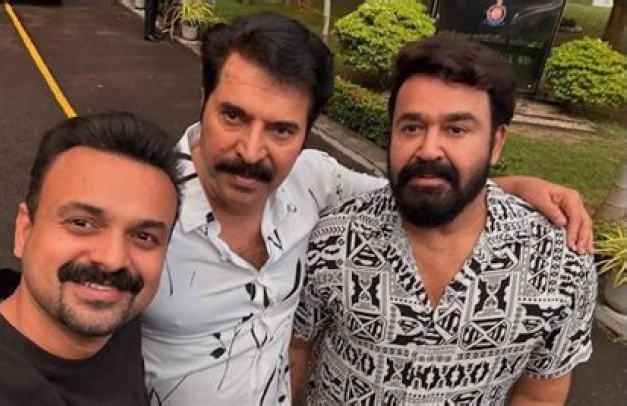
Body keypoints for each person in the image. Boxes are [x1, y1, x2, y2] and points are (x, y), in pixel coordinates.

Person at [140, 13, 593, 405]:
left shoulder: (314, 181)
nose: (251, 150)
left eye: (281, 130)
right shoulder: (142, 213)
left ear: (307, 132)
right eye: (234, 116)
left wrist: (512, 186)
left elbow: (420, 187)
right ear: (205, 95)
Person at [290, 34, 598, 405]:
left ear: (496, 143)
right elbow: (294, 353)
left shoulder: (559, 262)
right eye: (411, 127)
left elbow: (538, 394)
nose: (428, 149)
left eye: (456, 129)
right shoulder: (333, 238)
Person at [0, 112, 182, 405]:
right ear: (24, 231)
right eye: (82, 223)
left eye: (143, 236)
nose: (114, 259)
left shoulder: (121, 322)